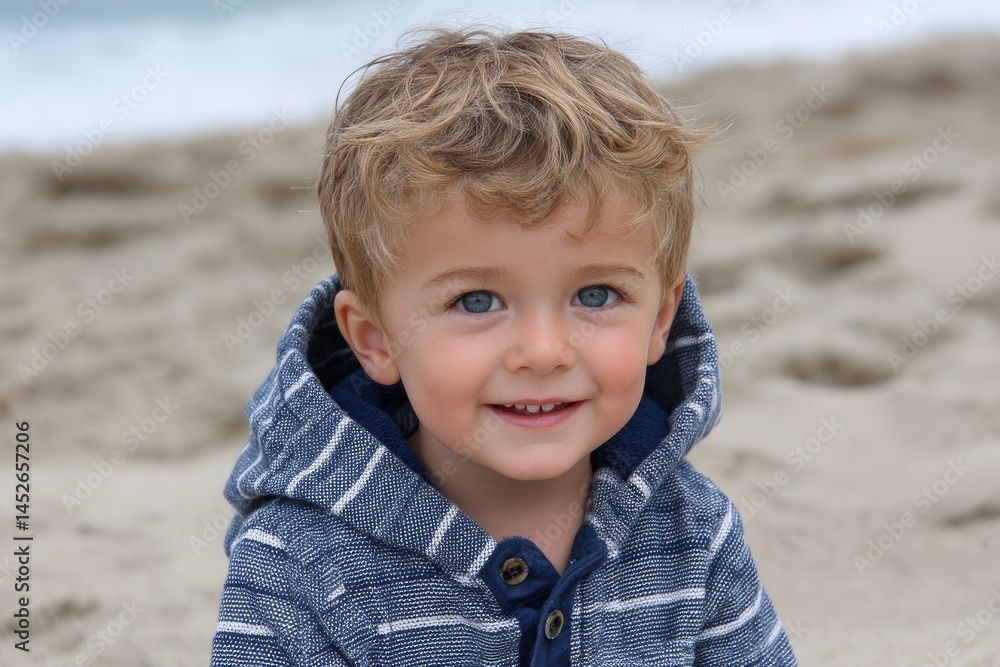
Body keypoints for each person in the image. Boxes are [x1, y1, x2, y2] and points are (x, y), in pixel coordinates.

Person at [211, 27, 797, 666]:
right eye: (476, 302)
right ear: (376, 340)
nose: (543, 352)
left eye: (596, 295)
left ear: (661, 319)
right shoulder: (298, 564)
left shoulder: (694, 531)